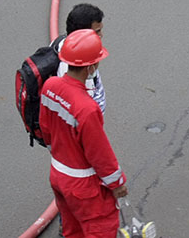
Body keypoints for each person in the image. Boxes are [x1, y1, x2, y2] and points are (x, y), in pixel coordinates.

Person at [39, 29, 128, 237]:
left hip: (59, 175)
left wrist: (62, 153)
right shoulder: (87, 108)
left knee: (73, 230)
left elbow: (45, 129)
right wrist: (117, 184)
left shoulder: (50, 86)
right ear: (91, 66)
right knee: (101, 228)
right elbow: (100, 154)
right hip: (84, 187)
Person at [52, 4, 107, 113]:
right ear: (81, 34)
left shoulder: (62, 43)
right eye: (97, 31)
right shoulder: (74, 71)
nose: (101, 35)